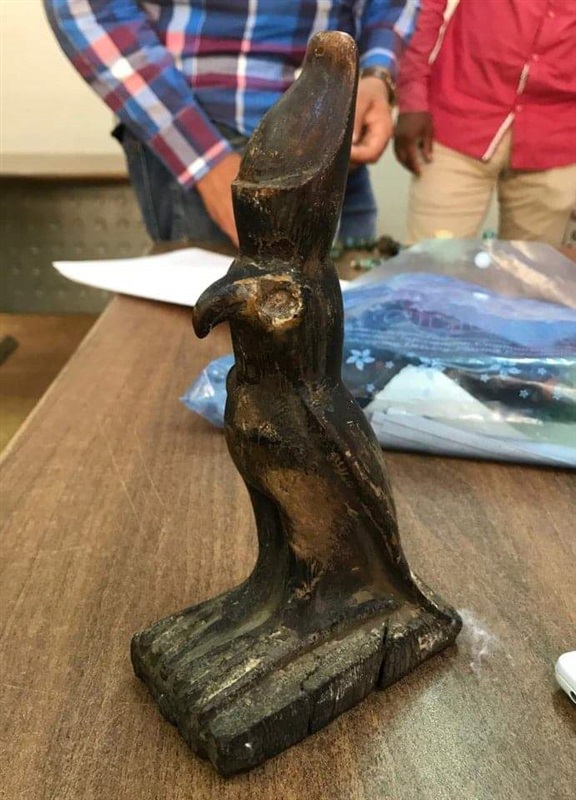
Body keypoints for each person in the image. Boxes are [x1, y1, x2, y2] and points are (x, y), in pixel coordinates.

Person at [45, 0, 419, 248]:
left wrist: (377, 73)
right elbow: (85, 8)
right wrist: (205, 162)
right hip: (211, 132)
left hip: (336, 131)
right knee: (219, 337)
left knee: (339, 325)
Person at [394, 0, 576, 247]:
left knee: (531, 269)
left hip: (558, 136)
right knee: (431, 262)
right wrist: (413, 96)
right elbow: (427, 6)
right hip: (458, 114)